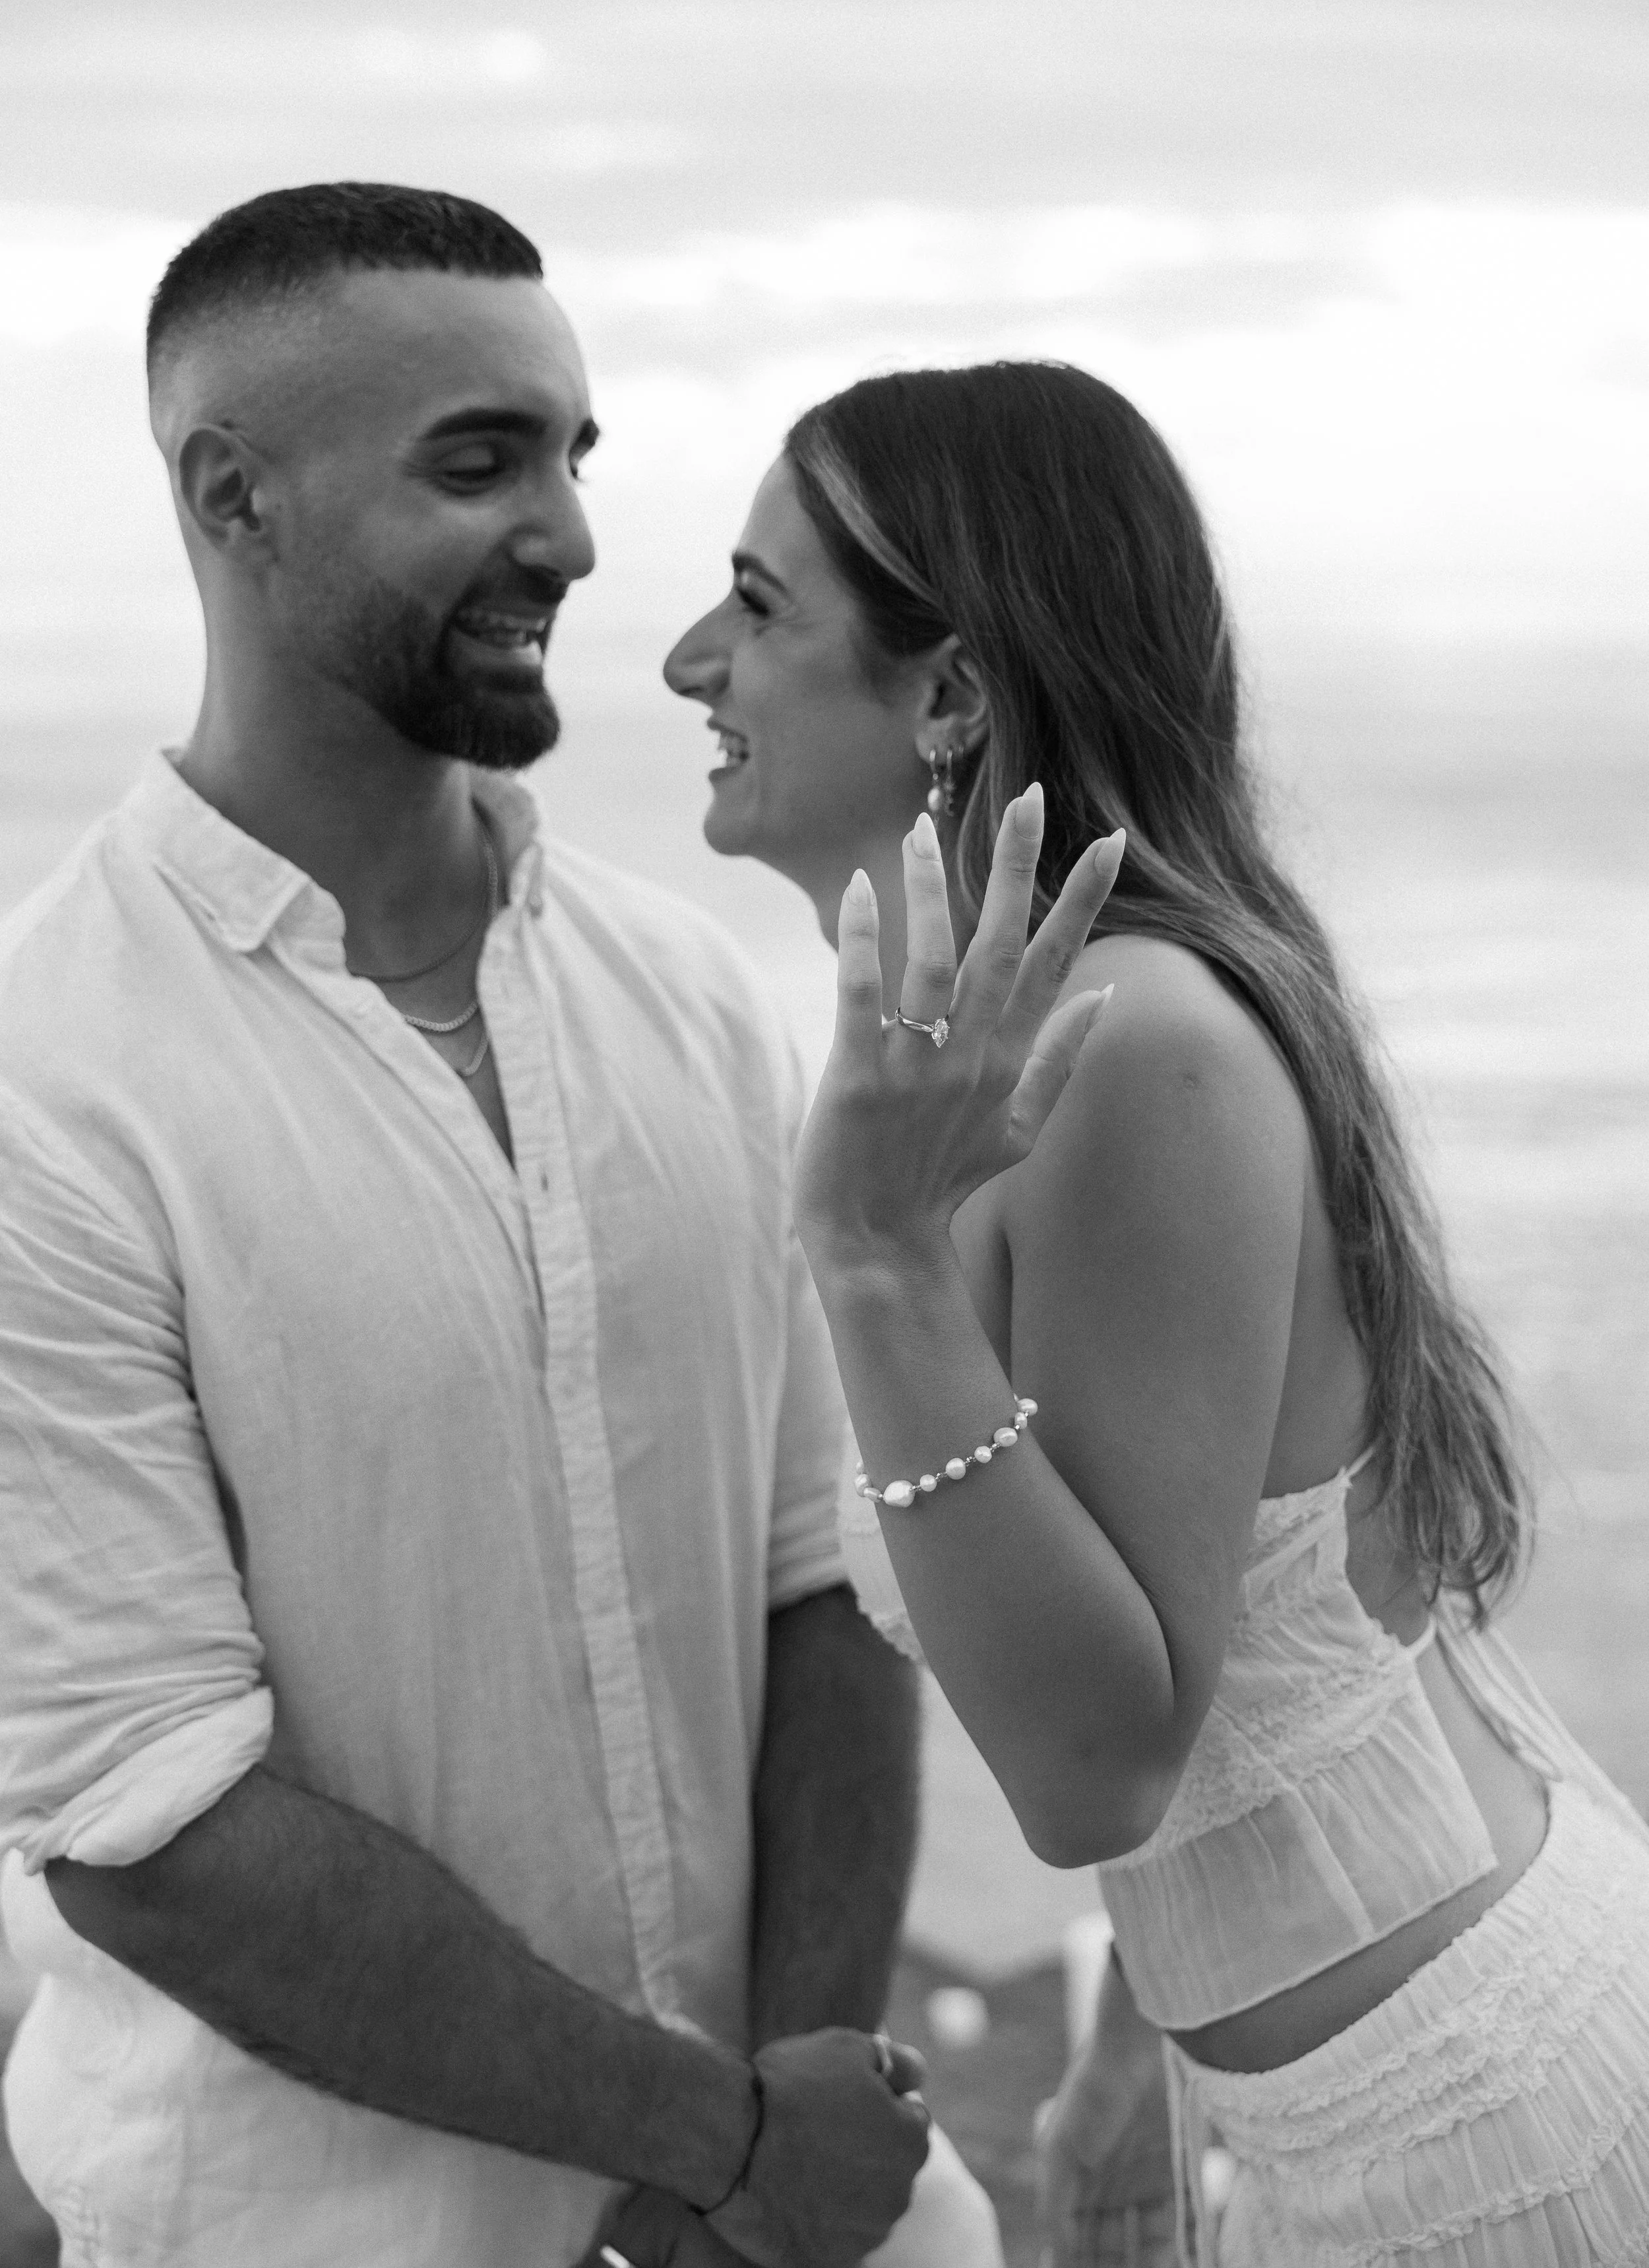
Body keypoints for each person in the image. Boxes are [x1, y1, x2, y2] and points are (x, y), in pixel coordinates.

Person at [0, 181, 979, 2268]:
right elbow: (149, 1826)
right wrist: (711, 2135)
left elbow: (824, 1592)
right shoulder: (42, 1077)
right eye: (479, 460)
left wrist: (769, 2167)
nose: (572, 533)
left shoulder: (694, 994)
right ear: (232, 497)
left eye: (572, 453)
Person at [664, 360, 1649, 2267]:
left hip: (1465, 2138)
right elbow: (1188, 1587)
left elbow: (1098, 1752)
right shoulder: (1003, 1042)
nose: (693, 660)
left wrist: (868, 1253)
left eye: (760, 604)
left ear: (948, 691)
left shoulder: (1134, 1043)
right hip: (1305, 2093)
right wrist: (1138, 2031)